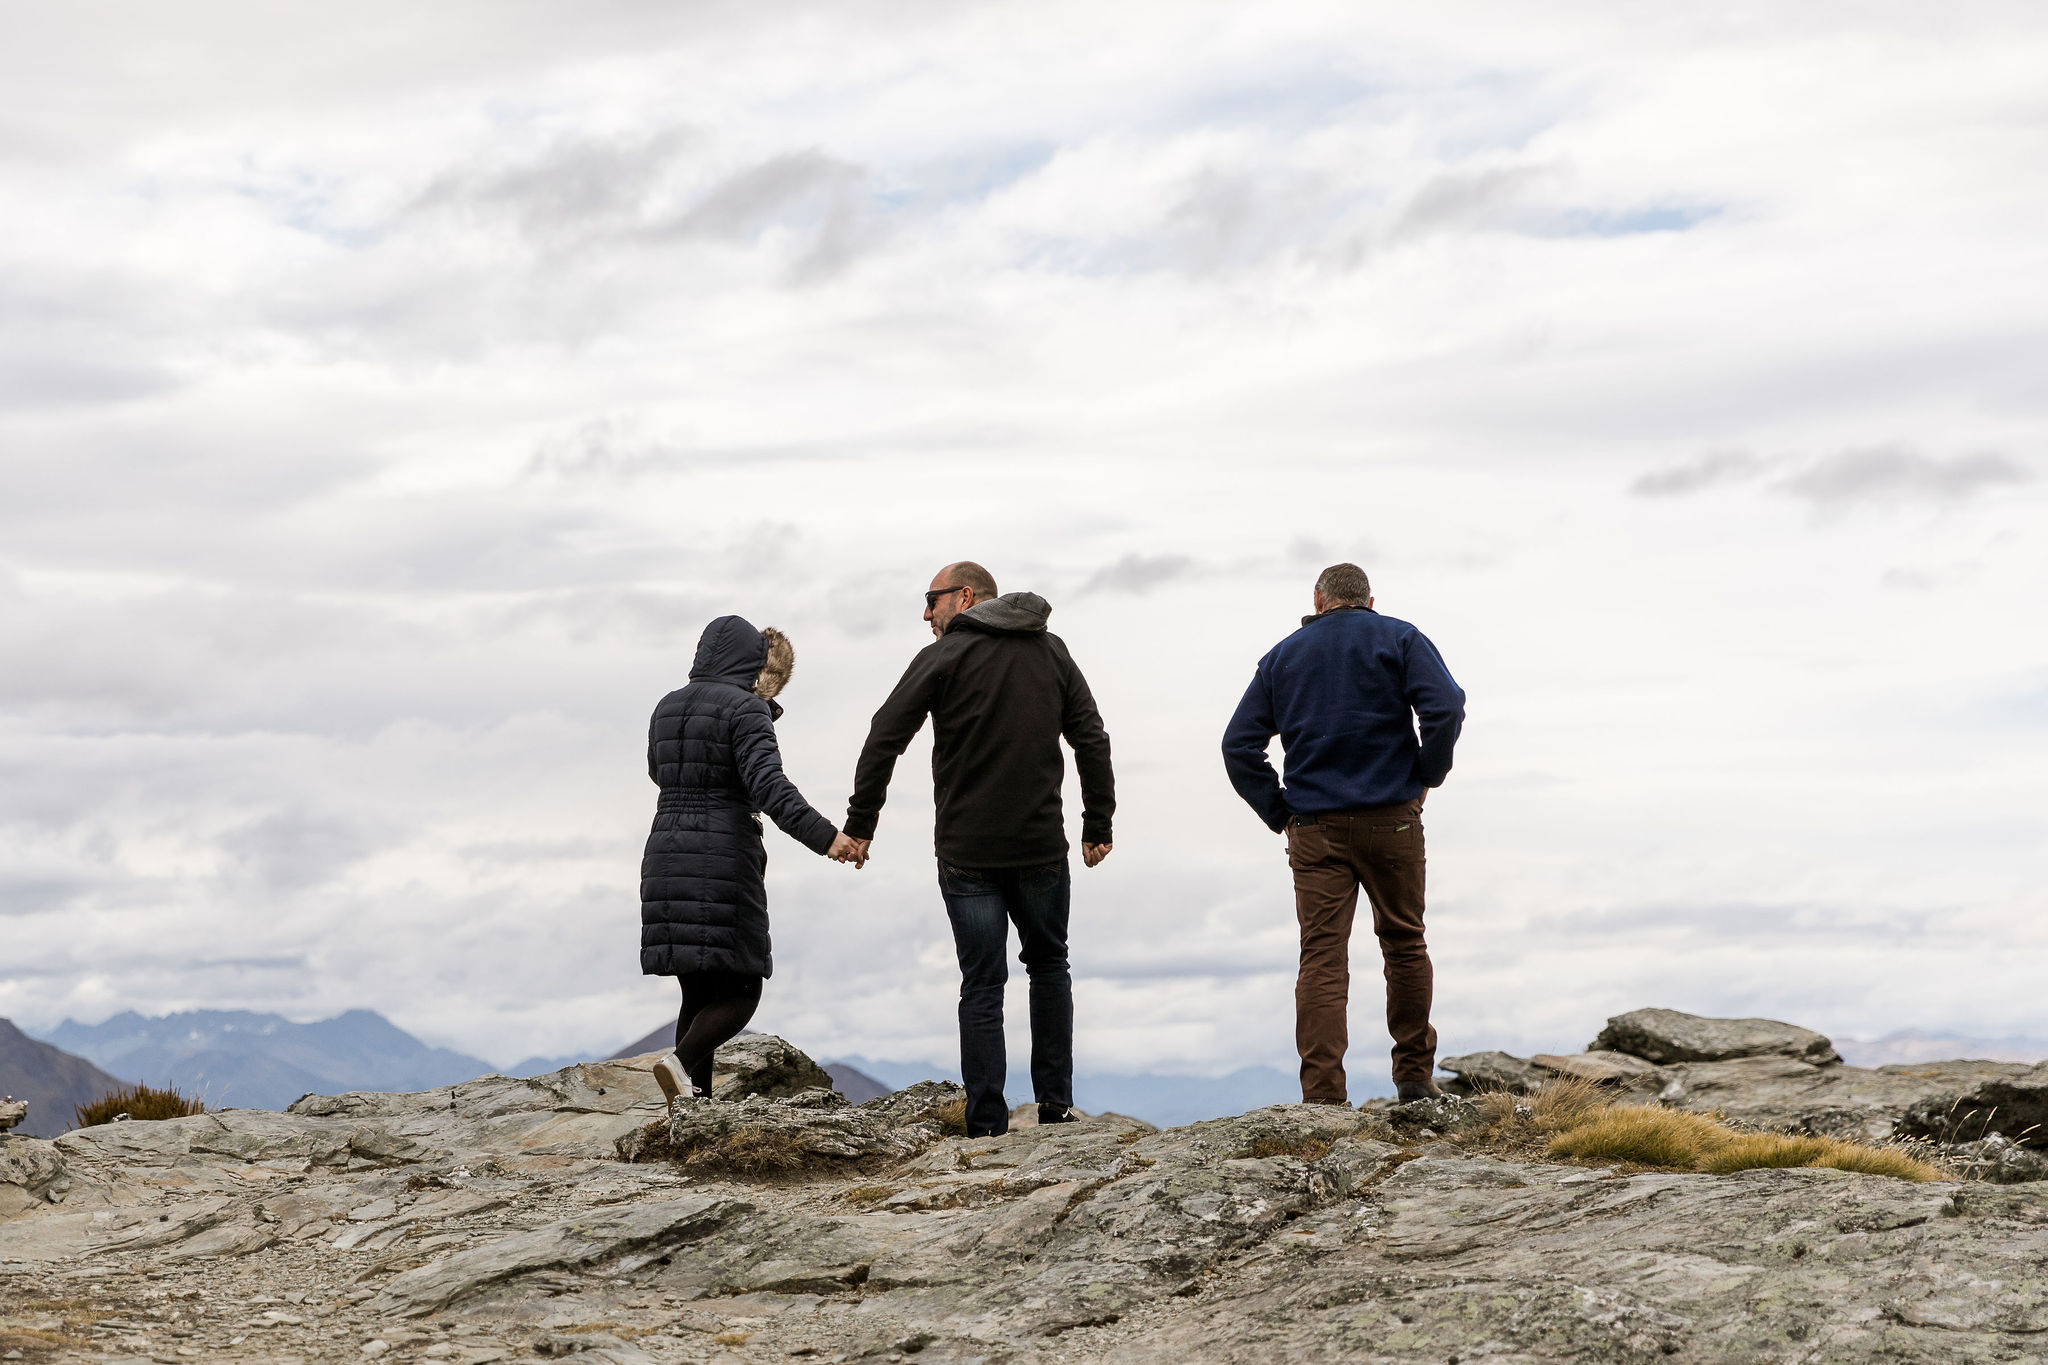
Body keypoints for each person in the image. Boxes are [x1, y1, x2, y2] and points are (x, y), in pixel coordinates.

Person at [838, 562, 1114, 1138]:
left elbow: (884, 734)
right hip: (1040, 846)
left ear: (964, 597)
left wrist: (861, 824)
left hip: (967, 853)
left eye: (931, 600)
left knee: (982, 985)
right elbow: (1090, 734)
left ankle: (986, 1122)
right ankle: (1056, 1109)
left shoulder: (945, 656)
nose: (925, 613)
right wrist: (1097, 821)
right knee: (1048, 966)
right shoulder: (1052, 651)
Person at [1221, 564, 1465, 1105]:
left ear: (1318, 599)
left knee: (1323, 956)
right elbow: (1445, 707)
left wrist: (1278, 810)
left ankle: (1324, 1096)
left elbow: (1238, 745)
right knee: (1404, 942)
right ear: (1370, 601)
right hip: (1392, 819)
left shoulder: (1283, 655)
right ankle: (1414, 1080)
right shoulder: (1400, 637)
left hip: (1313, 826)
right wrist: (1428, 774)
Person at [640, 615, 861, 1109]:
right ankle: (679, 1062)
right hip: (723, 854)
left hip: (665, 851)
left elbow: (658, 771)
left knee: (697, 992)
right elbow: (769, 787)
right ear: (751, 661)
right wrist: (827, 838)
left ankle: (691, 1109)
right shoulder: (746, 709)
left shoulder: (666, 706)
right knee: (742, 988)